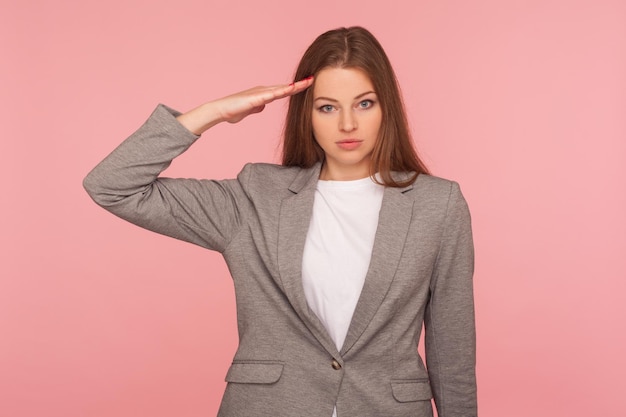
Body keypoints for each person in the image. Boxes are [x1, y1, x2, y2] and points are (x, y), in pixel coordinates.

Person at [84, 26, 477, 417]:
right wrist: (211, 114)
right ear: (305, 113)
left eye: (364, 103)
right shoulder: (256, 196)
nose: (346, 125)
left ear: (386, 106)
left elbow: (451, 346)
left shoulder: (438, 205)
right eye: (327, 107)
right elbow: (112, 186)